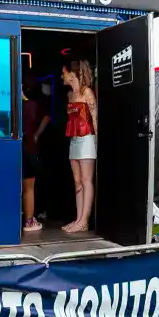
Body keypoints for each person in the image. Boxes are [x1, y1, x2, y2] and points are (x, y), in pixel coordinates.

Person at [62, 59, 98, 234]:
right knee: (77, 180)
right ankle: (78, 219)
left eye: (63, 72)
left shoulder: (87, 92)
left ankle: (84, 221)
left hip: (87, 139)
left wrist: (97, 142)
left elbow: (95, 118)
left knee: (86, 179)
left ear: (71, 75)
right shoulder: (70, 95)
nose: (61, 76)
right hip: (74, 139)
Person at [21, 78, 50, 233]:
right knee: (29, 187)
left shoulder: (8, 106)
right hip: (29, 148)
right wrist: (37, 134)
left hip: (14, 148)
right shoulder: (32, 106)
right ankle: (29, 221)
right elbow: (47, 117)